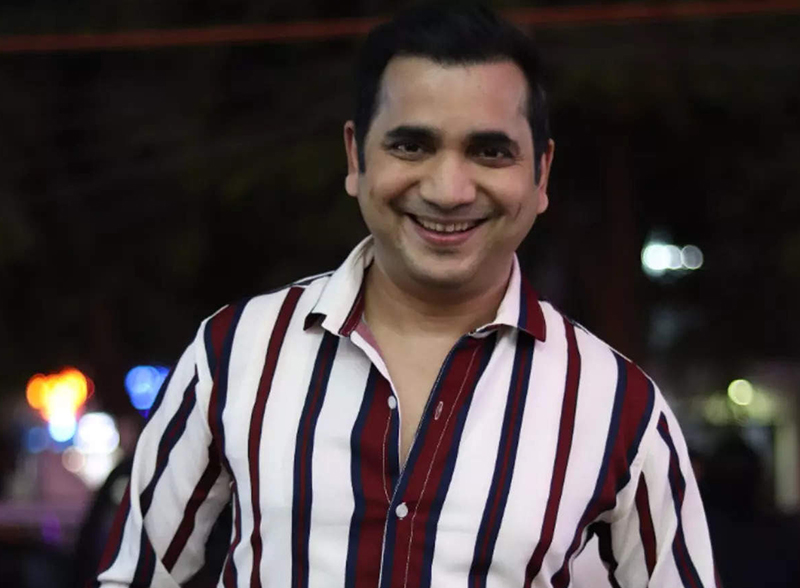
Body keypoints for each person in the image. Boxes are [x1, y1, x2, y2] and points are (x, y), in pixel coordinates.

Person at [94, 4, 718, 587]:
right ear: (355, 157)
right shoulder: (235, 353)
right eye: (411, 146)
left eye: (489, 151)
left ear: (541, 173)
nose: (448, 190)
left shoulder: (619, 406)